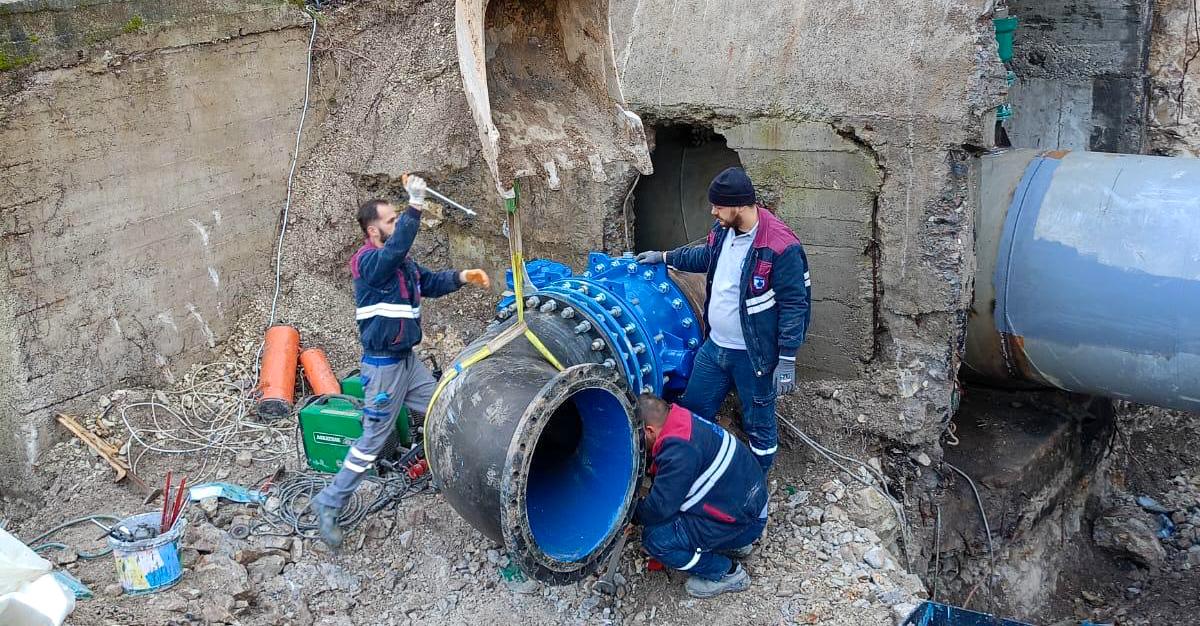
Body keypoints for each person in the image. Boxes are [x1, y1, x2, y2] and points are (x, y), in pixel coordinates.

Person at [313, 175, 490, 548]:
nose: (397, 225)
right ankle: (328, 503)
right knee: (373, 439)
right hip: (383, 369)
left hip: (407, 363)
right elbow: (396, 250)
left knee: (444, 405)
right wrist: (414, 204)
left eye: (398, 218)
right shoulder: (369, 263)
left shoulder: (402, 266)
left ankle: (463, 476)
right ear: (373, 231)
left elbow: (431, 282)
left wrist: (462, 276)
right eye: (391, 220)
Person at [636, 167, 810, 473]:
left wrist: (786, 358)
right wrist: (663, 257)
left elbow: (795, 304)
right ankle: (697, 470)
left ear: (740, 205)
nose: (713, 211)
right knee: (694, 409)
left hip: (753, 356)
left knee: (759, 422)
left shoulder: (781, 246)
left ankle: (755, 483)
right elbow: (704, 257)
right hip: (715, 348)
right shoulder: (723, 232)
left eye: (719, 205)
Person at [633, 394, 768, 598]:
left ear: (649, 430)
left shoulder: (678, 452)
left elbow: (660, 508)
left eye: (638, 438)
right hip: (750, 505)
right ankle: (733, 543)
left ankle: (727, 573)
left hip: (746, 522)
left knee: (656, 540)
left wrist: (633, 515)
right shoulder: (681, 419)